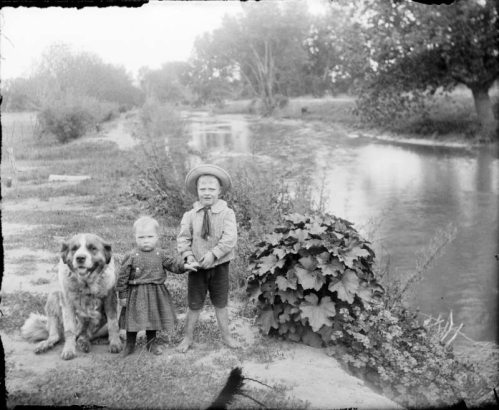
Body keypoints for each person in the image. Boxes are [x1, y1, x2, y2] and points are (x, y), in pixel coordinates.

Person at [176, 164, 239, 352]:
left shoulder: (228, 213)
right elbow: (183, 239)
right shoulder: (190, 215)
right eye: (202, 189)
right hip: (197, 268)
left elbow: (230, 239)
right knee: (194, 304)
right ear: (197, 190)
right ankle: (187, 338)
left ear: (219, 190)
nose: (207, 193)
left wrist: (214, 254)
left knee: (220, 302)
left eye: (211, 189)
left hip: (219, 266)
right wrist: (188, 256)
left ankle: (227, 336)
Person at [118, 216, 198, 357]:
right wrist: (123, 295)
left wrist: (185, 266)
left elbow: (173, 264)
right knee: (132, 319)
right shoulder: (131, 256)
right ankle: (130, 344)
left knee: (153, 318)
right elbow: (122, 277)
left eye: (150, 236)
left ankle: (151, 343)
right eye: (141, 237)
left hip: (155, 292)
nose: (146, 240)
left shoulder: (160, 254)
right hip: (136, 293)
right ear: (135, 238)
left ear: (157, 237)